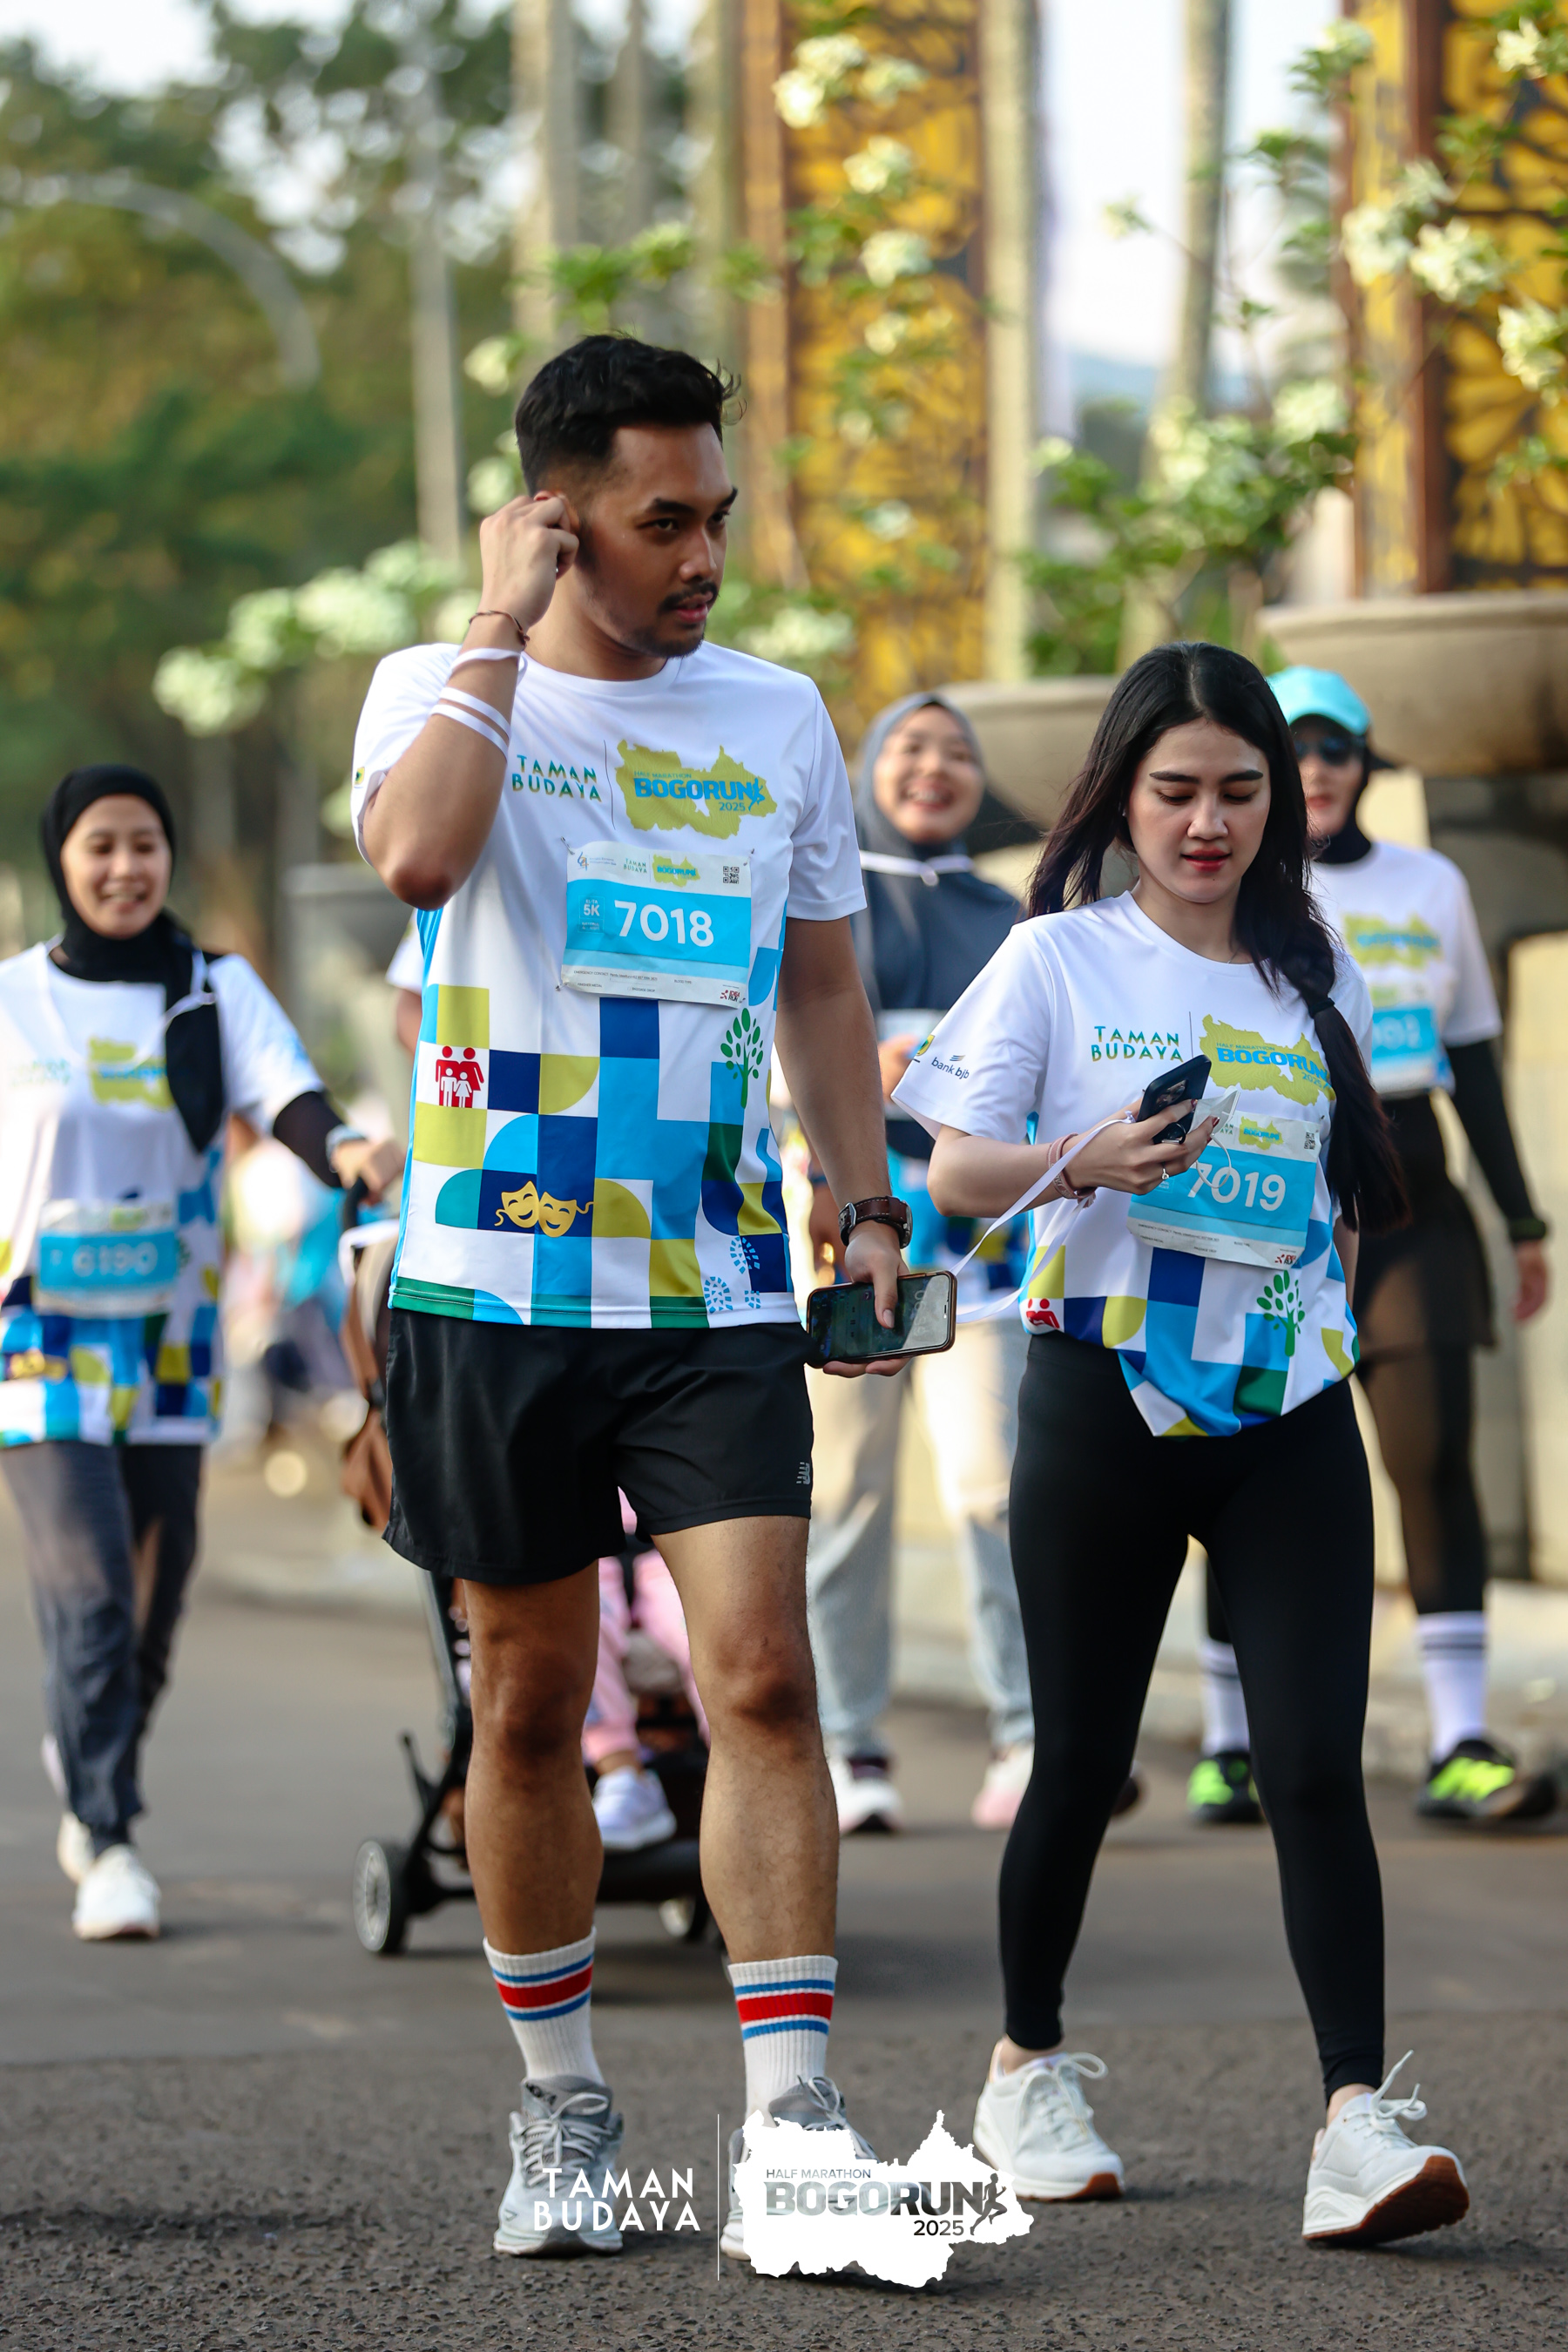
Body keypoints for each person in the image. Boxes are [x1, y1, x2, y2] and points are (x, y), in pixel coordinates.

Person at [350, 334, 898, 2263]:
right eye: (665, 522)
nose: (707, 558)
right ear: (556, 518)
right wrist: (498, 631)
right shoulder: (437, 685)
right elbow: (419, 858)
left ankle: (798, 2126)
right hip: (490, 1283)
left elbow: (823, 984)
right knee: (527, 1705)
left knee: (759, 1675)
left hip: (710, 1284)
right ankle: (564, 2113)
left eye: (718, 515)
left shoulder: (778, 715)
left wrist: (863, 1201)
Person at [895, 643, 1472, 2247]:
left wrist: (1319, 1313)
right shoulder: (1056, 958)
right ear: (1120, 797)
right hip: (1103, 1396)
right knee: (1081, 1763)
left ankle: (1355, 2121)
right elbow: (951, 1173)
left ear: (1279, 800)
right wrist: (1079, 1158)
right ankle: (1026, 2068)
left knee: (1313, 1767)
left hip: (1287, 1409)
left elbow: (1337, 1185)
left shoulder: (1317, 969)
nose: (1208, 823)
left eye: (1239, 790)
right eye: (1176, 791)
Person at [3, 765, 401, 1941]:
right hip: (38, 1339)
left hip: (173, 1336)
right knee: (88, 1592)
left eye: (145, 844)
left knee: (155, 1590)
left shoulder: (213, 990)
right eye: (101, 846)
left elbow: (289, 1098)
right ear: (62, 860)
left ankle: (91, 1741)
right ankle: (109, 1838)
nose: (126, 868)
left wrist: (350, 1153)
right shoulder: (15, 1000)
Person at [1190, 667, 1554, 1829]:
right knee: (1239, 1459)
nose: (1320, 768)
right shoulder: (1227, 887)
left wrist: (1523, 1220)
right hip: (1268, 1185)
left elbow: (1477, 1059)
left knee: (1430, 1456)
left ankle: (1459, 1739)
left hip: (1409, 1185)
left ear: (1366, 763)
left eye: (1338, 747)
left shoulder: (1430, 883)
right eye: (1295, 748)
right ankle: (1230, 1744)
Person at [801, 691, 1036, 1832]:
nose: (933, 768)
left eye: (956, 752)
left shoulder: (1010, 915)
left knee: (998, 1491)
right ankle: (849, 1745)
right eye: (909, 746)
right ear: (866, 769)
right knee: (846, 1492)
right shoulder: (819, 895)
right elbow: (775, 1035)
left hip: (981, 1242)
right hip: (840, 1229)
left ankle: (1028, 1737)